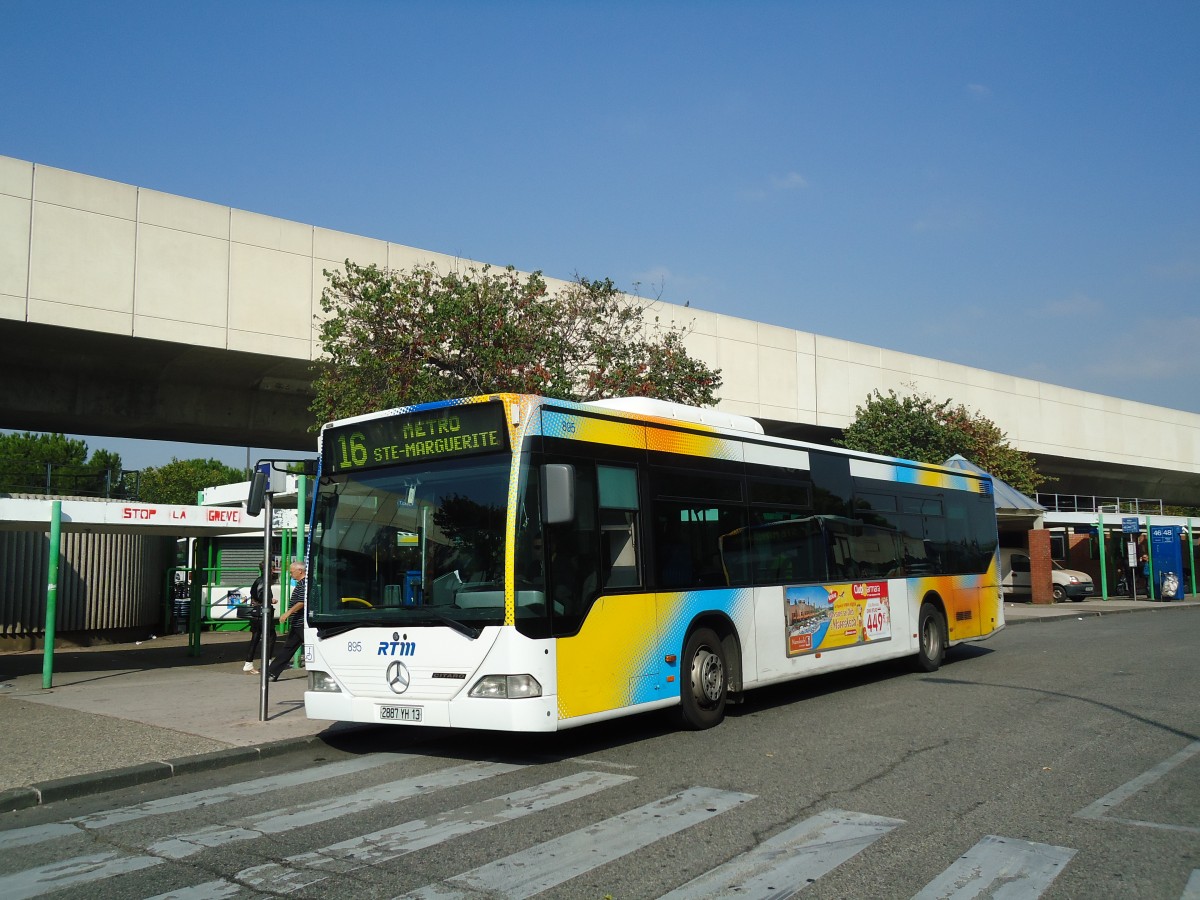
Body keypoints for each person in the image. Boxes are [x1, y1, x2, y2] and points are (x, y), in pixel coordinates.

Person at [267, 561, 308, 682]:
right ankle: (272, 672)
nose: (291, 574)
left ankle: (272, 672)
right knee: (289, 647)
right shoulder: (301, 583)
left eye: (292, 572)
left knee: (313, 647)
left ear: (300, 571)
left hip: (302, 623)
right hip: (297, 623)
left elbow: (302, 602)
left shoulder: (305, 583)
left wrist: (288, 613)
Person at [242, 565, 276, 674]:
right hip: (263, 614)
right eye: (272, 568)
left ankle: (248, 663)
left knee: (255, 638)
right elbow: (260, 595)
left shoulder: (258, 580)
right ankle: (267, 664)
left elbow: (253, 593)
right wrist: (271, 600)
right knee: (271, 637)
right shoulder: (264, 581)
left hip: (256, 614)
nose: (273, 570)